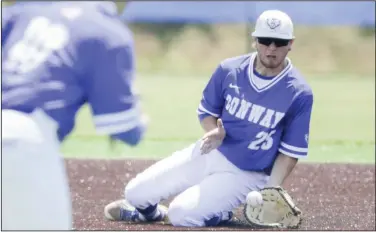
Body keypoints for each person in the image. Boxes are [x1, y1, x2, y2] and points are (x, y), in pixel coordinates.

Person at [104, 9, 314, 227]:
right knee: (135, 193)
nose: (271, 48)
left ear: (291, 43)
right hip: (210, 151)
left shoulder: (299, 92)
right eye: (265, 40)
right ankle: (149, 214)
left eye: (279, 42)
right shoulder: (229, 70)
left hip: (247, 174)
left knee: (181, 215)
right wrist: (213, 130)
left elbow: (289, 152)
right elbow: (207, 112)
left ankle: (218, 213)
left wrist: (271, 189)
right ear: (255, 41)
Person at [2, 1, 147, 230]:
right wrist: (139, 117)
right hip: (24, 143)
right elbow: (126, 130)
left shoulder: (25, 10)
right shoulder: (107, 32)